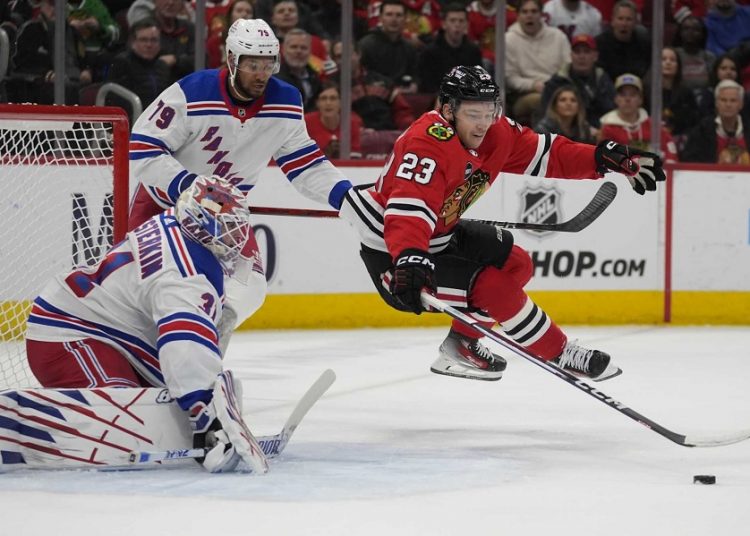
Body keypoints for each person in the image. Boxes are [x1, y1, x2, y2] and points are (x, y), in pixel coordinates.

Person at [339, 65, 665, 383]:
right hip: (397, 257)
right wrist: (409, 256)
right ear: (448, 110)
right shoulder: (427, 142)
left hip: (440, 234)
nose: (483, 124)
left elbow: (547, 154)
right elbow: (409, 210)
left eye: (489, 111)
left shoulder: (496, 132)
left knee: (517, 263)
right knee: (491, 286)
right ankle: (559, 352)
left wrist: (600, 158)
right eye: (473, 114)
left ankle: (461, 344)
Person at [128, 18, 352, 349]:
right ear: (232, 60)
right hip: (162, 211)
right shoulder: (191, 91)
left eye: (268, 63)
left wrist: (348, 197)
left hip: (225, 218)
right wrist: (191, 187)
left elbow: (305, 164)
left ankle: (202, 358)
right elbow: (143, 147)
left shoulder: (286, 101)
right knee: (144, 300)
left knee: (249, 289)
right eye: (252, 64)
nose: (262, 73)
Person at [25, 176, 267, 473]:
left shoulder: (178, 225)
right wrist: (206, 413)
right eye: (230, 230)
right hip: (71, 335)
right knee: (125, 424)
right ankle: (36, 423)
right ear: (206, 226)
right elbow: (183, 341)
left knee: (159, 409)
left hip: (115, 336)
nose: (237, 239)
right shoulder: (184, 271)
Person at [505, 0, 571, 126]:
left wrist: (553, 86)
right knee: (541, 100)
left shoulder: (558, 36)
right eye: (525, 12)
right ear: (518, 16)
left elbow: (568, 67)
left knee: (571, 98)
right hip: (525, 94)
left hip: (557, 89)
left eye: (534, 11)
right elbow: (510, 78)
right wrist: (533, 85)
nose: (529, 15)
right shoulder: (508, 40)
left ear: (542, 15)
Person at [598, 73, 679, 162]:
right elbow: (604, 157)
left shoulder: (654, 126)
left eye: (632, 95)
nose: (627, 99)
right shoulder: (607, 128)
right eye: (623, 94)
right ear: (616, 99)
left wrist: (668, 163)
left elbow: (670, 148)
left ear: (640, 99)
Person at [541, 33, 615, 129]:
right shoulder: (557, 81)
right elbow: (545, 114)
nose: (581, 56)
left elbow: (611, 111)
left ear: (595, 56)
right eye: (577, 52)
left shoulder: (603, 80)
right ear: (571, 55)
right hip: (564, 134)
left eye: (586, 52)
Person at [106, 18, 172, 118]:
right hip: (132, 122)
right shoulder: (122, 63)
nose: (149, 45)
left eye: (154, 40)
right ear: (133, 42)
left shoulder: (162, 65)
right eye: (143, 40)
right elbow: (115, 102)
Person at [417, 2, 482, 94]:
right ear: (443, 24)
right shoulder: (429, 53)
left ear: (467, 24)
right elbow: (427, 86)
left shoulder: (473, 51)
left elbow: (478, 83)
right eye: (452, 20)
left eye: (461, 21)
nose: (457, 25)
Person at [681, 79, 750, 164]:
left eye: (733, 100)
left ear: (741, 104)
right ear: (716, 103)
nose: (728, 105)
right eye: (723, 100)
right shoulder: (702, 130)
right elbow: (688, 162)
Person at [358, 0, 419, 93]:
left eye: (398, 15)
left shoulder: (409, 47)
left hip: (403, 95)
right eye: (389, 14)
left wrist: (414, 84)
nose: (394, 19)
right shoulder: (366, 45)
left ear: (405, 18)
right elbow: (362, 74)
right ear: (380, 18)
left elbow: (415, 74)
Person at [305, 81, 364, 158]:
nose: (328, 103)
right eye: (323, 98)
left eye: (333, 98)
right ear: (317, 103)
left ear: (341, 102)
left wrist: (343, 155)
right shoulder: (305, 123)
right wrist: (324, 155)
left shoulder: (352, 122)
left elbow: (356, 157)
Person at [595, 0, 651, 81]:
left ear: (635, 22)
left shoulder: (644, 43)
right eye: (620, 19)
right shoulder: (599, 44)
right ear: (612, 21)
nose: (624, 24)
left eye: (629, 19)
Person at [275, 28, 324, 111]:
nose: (298, 51)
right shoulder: (275, 79)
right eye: (294, 47)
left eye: (303, 48)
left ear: (310, 51)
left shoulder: (315, 77)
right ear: (283, 50)